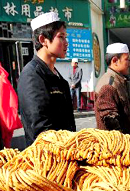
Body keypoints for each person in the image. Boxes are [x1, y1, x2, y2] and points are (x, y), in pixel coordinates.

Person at [18, 12, 75, 146]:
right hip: (47, 160)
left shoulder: (56, 75)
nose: (66, 43)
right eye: (61, 37)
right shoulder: (32, 75)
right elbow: (40, 130)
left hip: (66, 155)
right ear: (43, 40)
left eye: (65, 37)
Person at [94, 43, 130, 135]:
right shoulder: (109, 85)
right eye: (127, 59)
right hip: (115, 147)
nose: (129, 63)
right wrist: (123, 143)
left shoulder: (118, 80)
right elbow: (110, 121)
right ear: (115, 61)